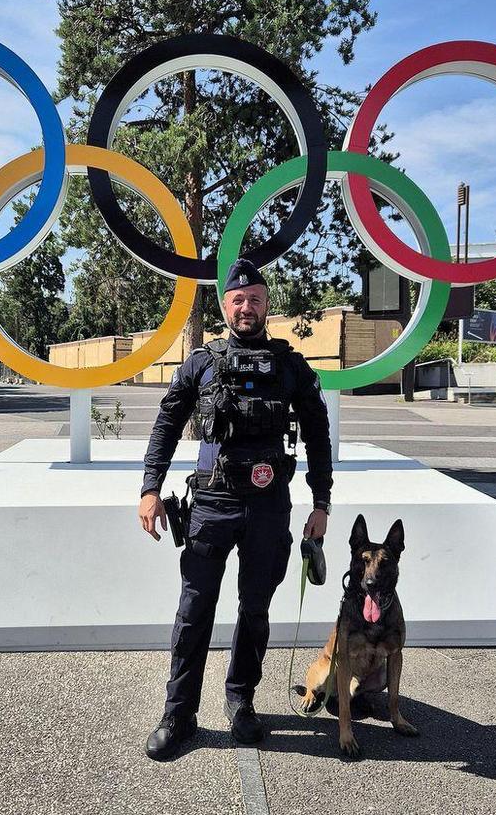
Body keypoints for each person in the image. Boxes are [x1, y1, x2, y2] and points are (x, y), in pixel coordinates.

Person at [138, 258, 333, 761]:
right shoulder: (201, 362)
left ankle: (241, 701)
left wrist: (322, 502)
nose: (247, 307)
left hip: (269, 506)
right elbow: (165, 423)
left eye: (256, 299)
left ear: (268, 305)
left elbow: (316, 433)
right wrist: (150, 488)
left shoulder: (290, 365)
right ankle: (179, 714)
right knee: (193, 610)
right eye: (238, 300)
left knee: (255, 609)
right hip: (212, 502)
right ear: (226, 306)